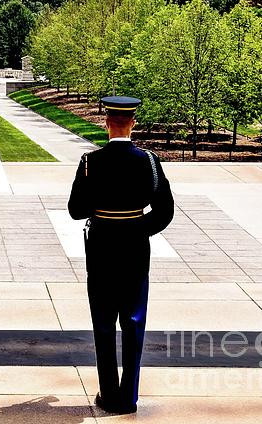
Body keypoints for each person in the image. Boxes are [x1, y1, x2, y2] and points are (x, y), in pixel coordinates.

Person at [67, 96, 174, 415]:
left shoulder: (90, 161)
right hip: (135, 248)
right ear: (133, 123)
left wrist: (101, 210)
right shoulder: (150, 161)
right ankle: (128, 397)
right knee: (133, 320)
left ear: (106, 123)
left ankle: (108, 392)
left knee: (103, 322)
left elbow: (75, 210)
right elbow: (165, 211)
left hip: (101, 246)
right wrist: (138, 227)